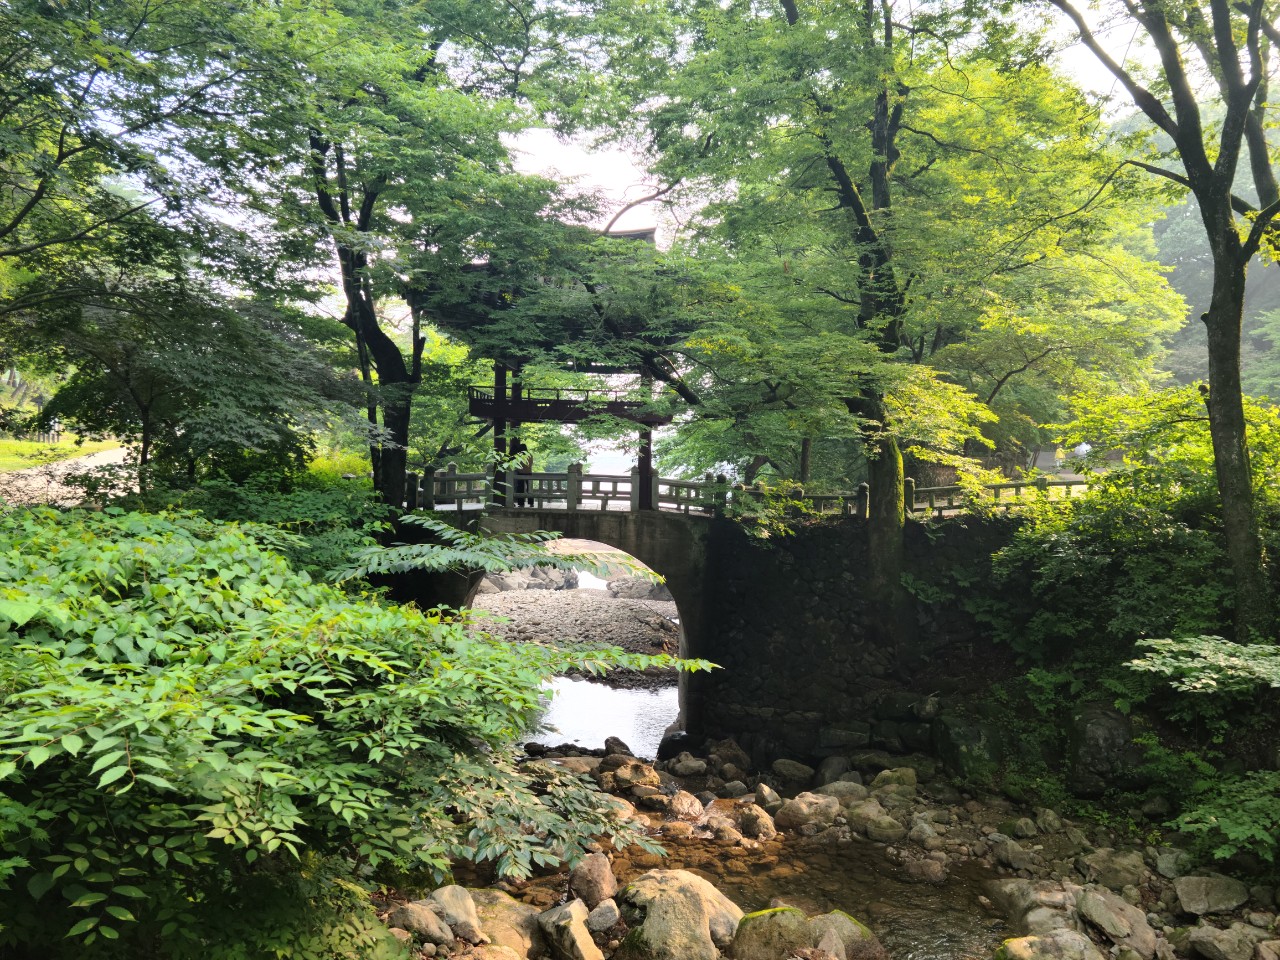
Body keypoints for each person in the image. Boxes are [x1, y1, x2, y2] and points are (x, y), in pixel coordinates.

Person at [510, 439, 532, 507]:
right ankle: (531, 503)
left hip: (521, 473)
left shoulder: (519, 456)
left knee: (520, 489)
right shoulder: (530, 455)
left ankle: (521, 503)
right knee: (529, 489)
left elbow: (518, 464)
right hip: (529, 473)